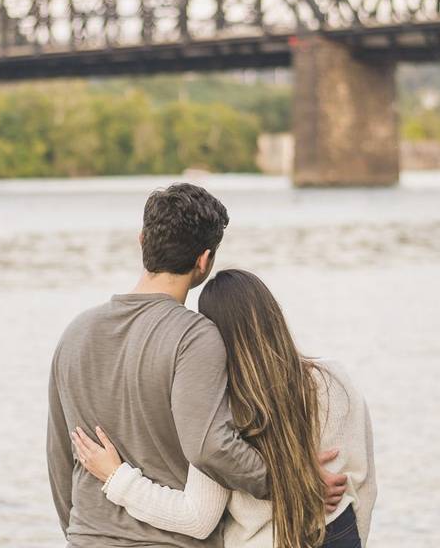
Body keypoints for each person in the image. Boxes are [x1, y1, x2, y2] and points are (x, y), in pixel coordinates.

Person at [47, 183, 351, 548]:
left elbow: (60, 458)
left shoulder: (75, 332)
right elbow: (210, 447)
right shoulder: (194, 337)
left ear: (142, 241)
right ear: (204, 260)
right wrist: (290, 481)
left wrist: (81, 533)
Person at [72, 269, 376, 548]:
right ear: (273, 315)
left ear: (214, 335)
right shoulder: (331, 381)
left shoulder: (219, 406)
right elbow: (361, 485)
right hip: (337, 536)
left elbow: (196, 519)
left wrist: (117, 478)